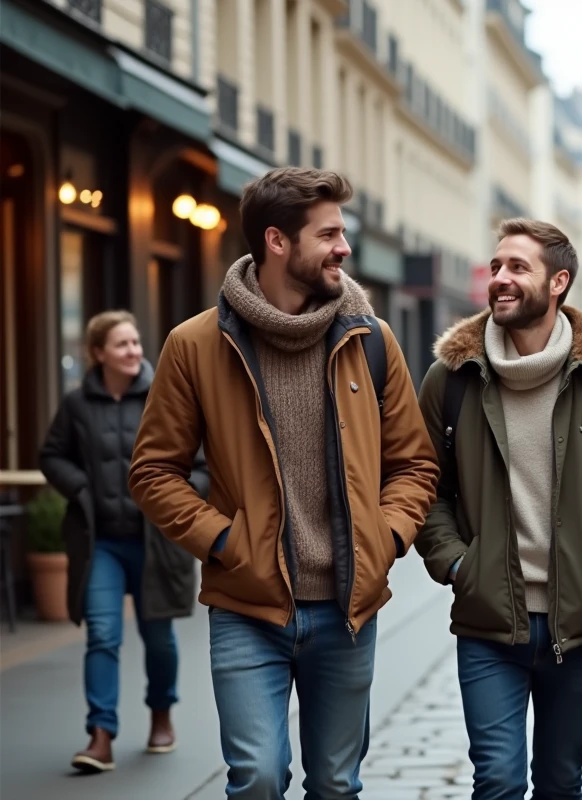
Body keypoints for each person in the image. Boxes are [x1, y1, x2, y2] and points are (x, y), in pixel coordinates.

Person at [128, 167, 439, 798]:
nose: (344, 248)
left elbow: (415, 464)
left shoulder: (372, 341)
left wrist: (386, 537)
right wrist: (224, 542)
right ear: (277, 242)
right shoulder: (195, 345)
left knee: (334, 782)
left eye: (342, 232)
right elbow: (154, 471)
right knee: (257, 778)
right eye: (328, 234)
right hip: (247, 607)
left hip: (348, 610)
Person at [414, 218, 582, 799]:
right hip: (488, 621)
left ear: (559, 282)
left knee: (561, 782)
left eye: (518, 267)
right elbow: (422, 485)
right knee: (496, 779)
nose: (501, 278)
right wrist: (456, 564)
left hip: (579, 622)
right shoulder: (452, 379)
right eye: (496, 267)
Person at [39, 311, 208, 774]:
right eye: (122, 345)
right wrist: (81, 487)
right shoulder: (77, 405)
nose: (134, 351)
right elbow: (51, 455)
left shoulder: (166, 393)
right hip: (102, 545)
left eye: (136, 342)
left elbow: (202, 462)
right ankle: (100, 735)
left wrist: (182, 499)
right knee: (103, 635)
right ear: (98, 354)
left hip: (156, 541)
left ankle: (160, 715)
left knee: (158, 638)